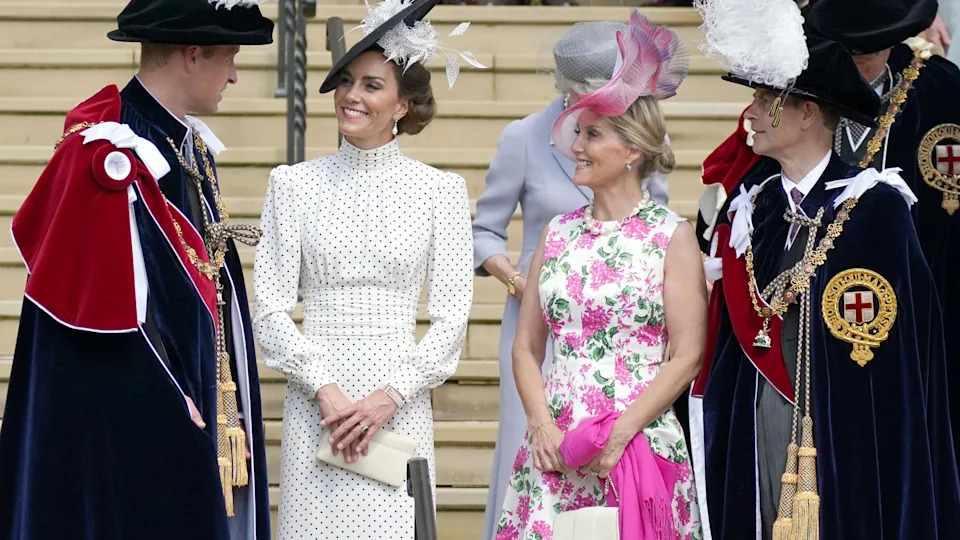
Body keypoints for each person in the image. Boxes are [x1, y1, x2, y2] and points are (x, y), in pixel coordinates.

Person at [0, 1, 273, 538]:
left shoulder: (183, 138)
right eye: (230, 59)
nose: (235, 75)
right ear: (192, 55)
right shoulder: (108, 149)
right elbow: (105, 312)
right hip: (142, 412)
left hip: (194, 385)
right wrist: (174, 398)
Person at [693, 0, 960, 537]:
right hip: (764, 421)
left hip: (849, 435)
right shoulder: (758, 206)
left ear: (808, 112)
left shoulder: (878, 206)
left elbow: (902, 358)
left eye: (768, 99)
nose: (752, 113)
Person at [252, 0, 476, 537]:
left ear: (402, 105)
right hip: (316, 402)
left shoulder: (441, 191)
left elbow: (450, 320)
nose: (352, 96)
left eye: (372, 85)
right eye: (348, 82)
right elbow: (269, 306)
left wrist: (388, 397)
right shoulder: (292, 184)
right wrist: (324, 389)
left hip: (398, 402)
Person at [495, 12, 703, 539]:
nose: (577, 146)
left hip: (638, 442)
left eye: (593, 135)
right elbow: (526, 347)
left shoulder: (670, 236)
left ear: (632, 150)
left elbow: (687, 354)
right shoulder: (558, 233)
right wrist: (541, 425)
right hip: (554, 446)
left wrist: (624, 432)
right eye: (577, 133)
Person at [804, 0, 960, 465]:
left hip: (924, 299)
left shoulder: (942, 91)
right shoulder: (804, 84)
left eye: (869, 47)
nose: (858, 59)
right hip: (824, 302)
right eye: (847, 46)